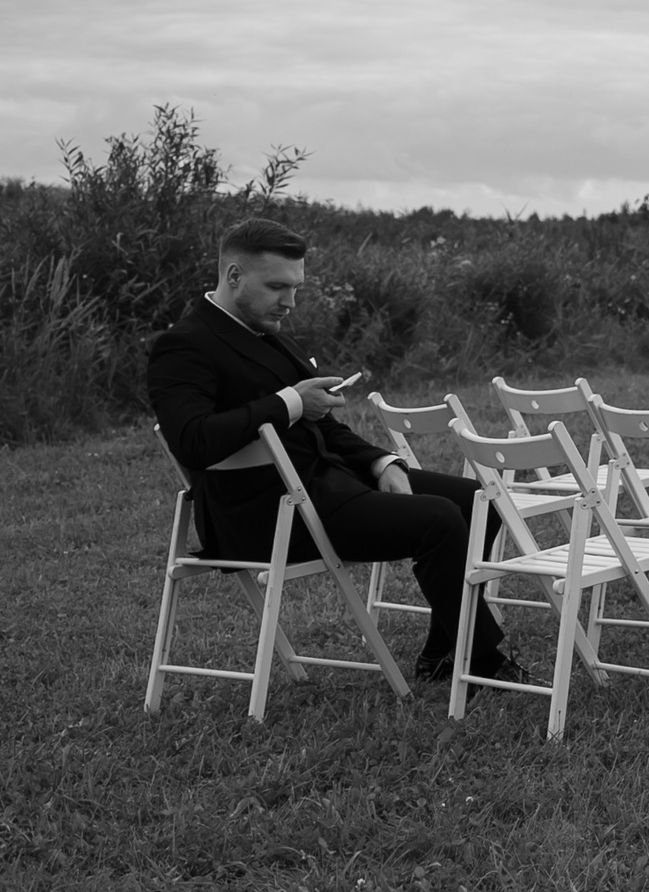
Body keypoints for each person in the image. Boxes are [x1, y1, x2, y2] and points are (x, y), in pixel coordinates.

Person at [146, 217, 521, 685]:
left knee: (477, 501)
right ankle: (484, 660)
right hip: (267, 512)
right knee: (440, 518)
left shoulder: (269, 332)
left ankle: (443, 652)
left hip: (325, 484)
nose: (289, 302)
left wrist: (381, 462)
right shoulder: (183, 345)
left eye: (296, 287)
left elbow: (321, 426)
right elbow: (193, 441)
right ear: (234, 276)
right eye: (277, 287)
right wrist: (291, 401)